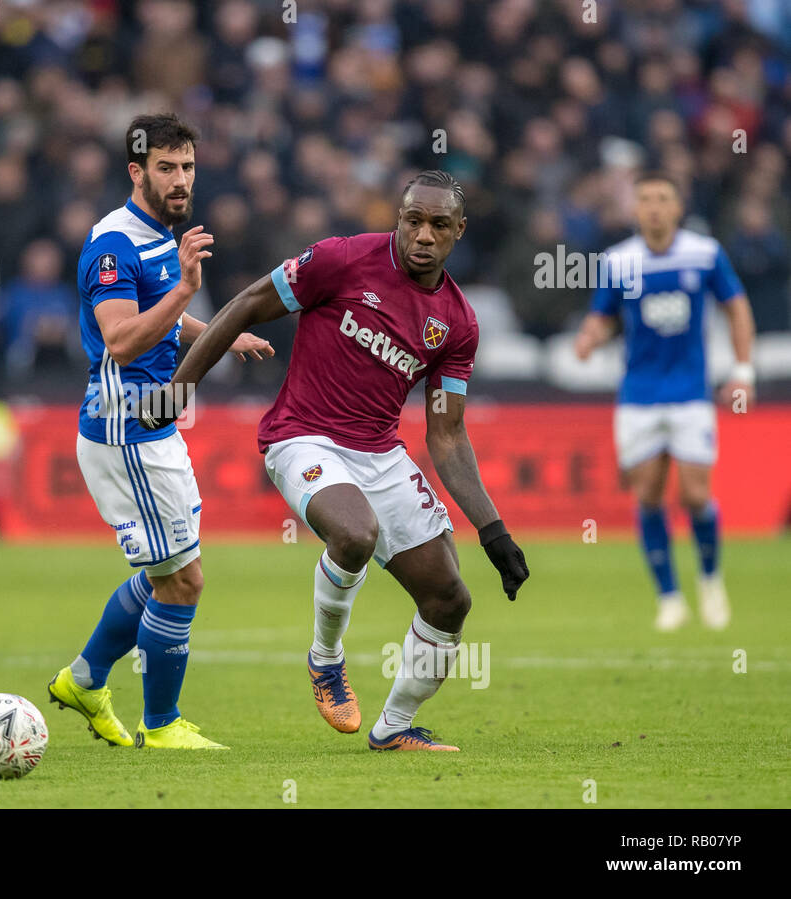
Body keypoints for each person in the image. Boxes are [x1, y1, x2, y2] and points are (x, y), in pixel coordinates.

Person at [140, 171, 529, 751]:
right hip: (302, 437)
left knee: (450, 598)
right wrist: (181, 387)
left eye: (438, 225)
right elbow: (246, 305)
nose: (423, 235)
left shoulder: (458, 323)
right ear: (397, 218)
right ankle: (326, 660)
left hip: (380, 451)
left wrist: (493, 530)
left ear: (459, 232)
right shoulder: (342, 260)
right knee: (355, 534)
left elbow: (446, 435)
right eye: (413, 220)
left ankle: (393, 729)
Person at [46, 113, 272, 750]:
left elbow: (163, 315)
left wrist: (222, 333)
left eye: (188, 167)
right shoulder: (112, 244)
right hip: (128, 433)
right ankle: (163, 725)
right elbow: (120, 340)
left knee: (161, 572)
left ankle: (85, 680)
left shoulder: (156, 235)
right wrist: (186, 290)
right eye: (167, 168)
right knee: (184, 578)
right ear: (136, 171)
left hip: (153, 426)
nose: (180, 180)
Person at [574, 172, 755, 631]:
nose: (654, 207)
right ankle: (670, 597)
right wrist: (590, 337)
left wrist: (742, 371)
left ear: (677, 207)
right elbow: (604, 316)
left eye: (663, 199)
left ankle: (711, 581)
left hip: (690, 392)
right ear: (636, 211)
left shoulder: (705, 253)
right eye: (646, 200)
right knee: (649, 494)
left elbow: (736, 307)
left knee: (695, 493)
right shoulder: (618, 261)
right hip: (638, 395)